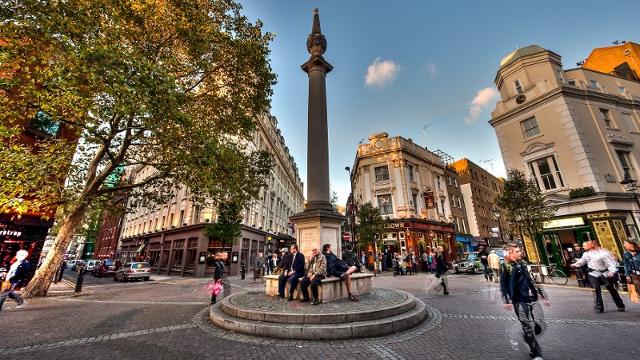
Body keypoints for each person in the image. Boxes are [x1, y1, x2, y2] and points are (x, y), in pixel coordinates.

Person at [500, 244, 547, 360]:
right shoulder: (505, 266)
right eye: (517, 251)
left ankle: (528, 337)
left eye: (519, 251)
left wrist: (541, 294)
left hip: (530, 298)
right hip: (518, 300)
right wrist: (506, 300)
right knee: (527, 326)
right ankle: (536, 353)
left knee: (538, 325)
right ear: (509, 253)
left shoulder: (523, 264)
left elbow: (530, 280)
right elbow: (503, 284)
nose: (520, 253)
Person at [572, 240, 625, 313]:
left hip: (605, 273)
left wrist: (612, 271)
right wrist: (575, 264)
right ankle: (599, 307)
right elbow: (582, 261)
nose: (583, 247)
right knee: (596, 290)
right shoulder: (586, 254)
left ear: (591, 245)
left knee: (611, 289)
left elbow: (610, 263)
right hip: (593, 273)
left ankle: (620, 305)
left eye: (585, 245)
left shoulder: (603, 253)